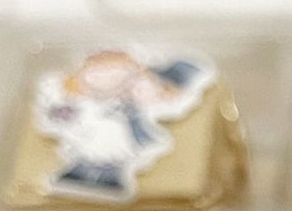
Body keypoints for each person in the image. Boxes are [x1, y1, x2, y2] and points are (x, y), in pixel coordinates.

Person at [34, 46, 215, 200]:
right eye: (97, 75)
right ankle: (76, 174)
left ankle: (110, 179)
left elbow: (159, 98)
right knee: (87, 156)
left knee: (112, 158)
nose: (106, 80)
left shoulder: (130, 104)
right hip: (89, 135)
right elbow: (62, 112)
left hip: (117, 137)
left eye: (116, 75)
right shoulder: (83, 102)